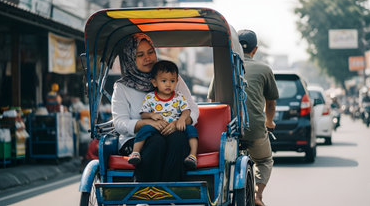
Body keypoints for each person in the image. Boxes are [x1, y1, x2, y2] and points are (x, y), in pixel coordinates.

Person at [111, 33, 199, 182]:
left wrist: (177, 124)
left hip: (172, 134)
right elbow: (119, 123)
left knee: (178, 139)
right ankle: (148, 190)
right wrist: (147, 123)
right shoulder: (122, 87)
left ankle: (169, 191)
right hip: (136, 140)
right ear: (130, 58)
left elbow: (193, 109)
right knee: (157, 141)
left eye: (150, 52)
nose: (148, 58)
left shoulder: (172, 78)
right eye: (140, 55)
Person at [209, 29, 278, 206]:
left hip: (226, 129)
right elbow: (270, 104)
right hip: (254, 128)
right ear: (255, 49)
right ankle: (258, 195)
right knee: (264, 160)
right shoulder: (264, 69)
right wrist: (269, 122)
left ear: (235, 46)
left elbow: (211, 100)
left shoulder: (222, 68)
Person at [128, 60, 199, 170]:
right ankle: (135, 152)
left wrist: (182, 119)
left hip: (175, 128)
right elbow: (143, 114)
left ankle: (192, 155)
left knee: (191, 130)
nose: (168, 84)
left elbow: (187, 110)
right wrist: (152, 116)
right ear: (155, 82)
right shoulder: (150, 97)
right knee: (145, 129)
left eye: (172, 81)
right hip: (157, 126)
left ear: (176, 82)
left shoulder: (178, 97)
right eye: (164, 81)